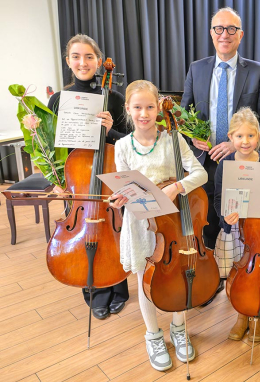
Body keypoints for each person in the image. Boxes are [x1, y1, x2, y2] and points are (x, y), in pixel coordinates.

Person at [180, 7, 260, 304]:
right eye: (219, 29)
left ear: (240, 35)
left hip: (242, 162)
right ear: (211, 33)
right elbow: (183, 115)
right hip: (203, 161)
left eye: (231, 29)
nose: (225, 34)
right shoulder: (196, 68)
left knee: (240, 223)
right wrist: (191, 135)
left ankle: (242, 280)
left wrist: (234, 145)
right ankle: (210, 280)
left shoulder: (258, 71)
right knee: (208, 220)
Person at [110, 80, 208, 371]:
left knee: (176, 274)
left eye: (149, 107)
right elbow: (124, 185)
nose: (144, 113)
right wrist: (120, 197)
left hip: (172, 222)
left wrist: (177, 186)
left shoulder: (172, 139)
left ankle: (179, 329)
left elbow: (200, 174)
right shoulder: (122, 146)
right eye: (137, 107)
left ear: (158, 109)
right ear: (128, 110)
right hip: (141, 222)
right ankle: (153, 335)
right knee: (146, 278)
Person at [47, 34, 129, 320]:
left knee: (114, 233)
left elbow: (130, 145)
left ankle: (119, 288)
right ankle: (92, 291)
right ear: (69, 61)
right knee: (84, 235)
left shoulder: (115, 99)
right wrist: (56, 181)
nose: (83, 62)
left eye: (89, 56)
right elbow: (51, 147)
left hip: (109, 182)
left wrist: (111, 131)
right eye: (77, 57)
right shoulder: (59, 100)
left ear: (98, 60)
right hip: (78, 181)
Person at [213, 107, 260, 343]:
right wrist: (225, 216)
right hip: (235, 230)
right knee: (238, 275)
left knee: (257, 276)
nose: (245, 142)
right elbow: (218, 199)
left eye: (251, 136)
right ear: (230, 138)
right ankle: (241, 315)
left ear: (259, 136)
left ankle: (256, 318)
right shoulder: (225, 165)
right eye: (239, 136)